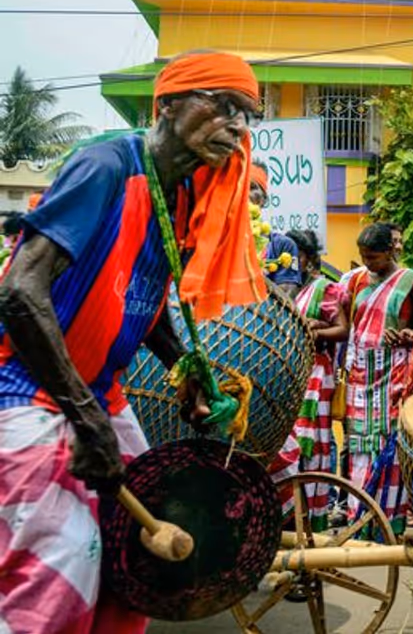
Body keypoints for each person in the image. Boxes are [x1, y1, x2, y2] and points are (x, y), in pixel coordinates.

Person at [0, 51, 265, 633]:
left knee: (140, 553)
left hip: (98, 393)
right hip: (25, 391)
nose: (237, 125)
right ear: (168, 105)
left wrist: (187, 367)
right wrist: (85, 413)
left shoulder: (182, 196)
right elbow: (20, 291)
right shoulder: (106, 168)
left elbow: (139, 300)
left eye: (246, 114)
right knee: (61, 562)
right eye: (222, 105)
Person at [341, 222, 413, 535]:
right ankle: (359, 519)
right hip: (361, 377)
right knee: (361, 446)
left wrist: (411, 335)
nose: (368, 263)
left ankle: (387, 522)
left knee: (390, 449)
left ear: (391, 250)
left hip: (394, 373)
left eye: (374, 258)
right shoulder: (356, 282)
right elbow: (347, 326)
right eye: (364, 257)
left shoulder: (411, 281)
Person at [285, 229, 350, 529]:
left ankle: (311, 515)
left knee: (311, 444)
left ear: (308, 258)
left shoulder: (325, 288)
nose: (288, 261)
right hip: (291, 374)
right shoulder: (286, 287)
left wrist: (316, 329)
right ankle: (289, 509)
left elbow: (343, 329)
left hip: (316, 374)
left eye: (294, 255)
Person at [249, 160, 302, 296]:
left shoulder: (283, 246)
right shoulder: (220, 241)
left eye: (251, 187)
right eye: (240, 188)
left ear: (263, 200)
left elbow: (287, 298)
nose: (245, 194)